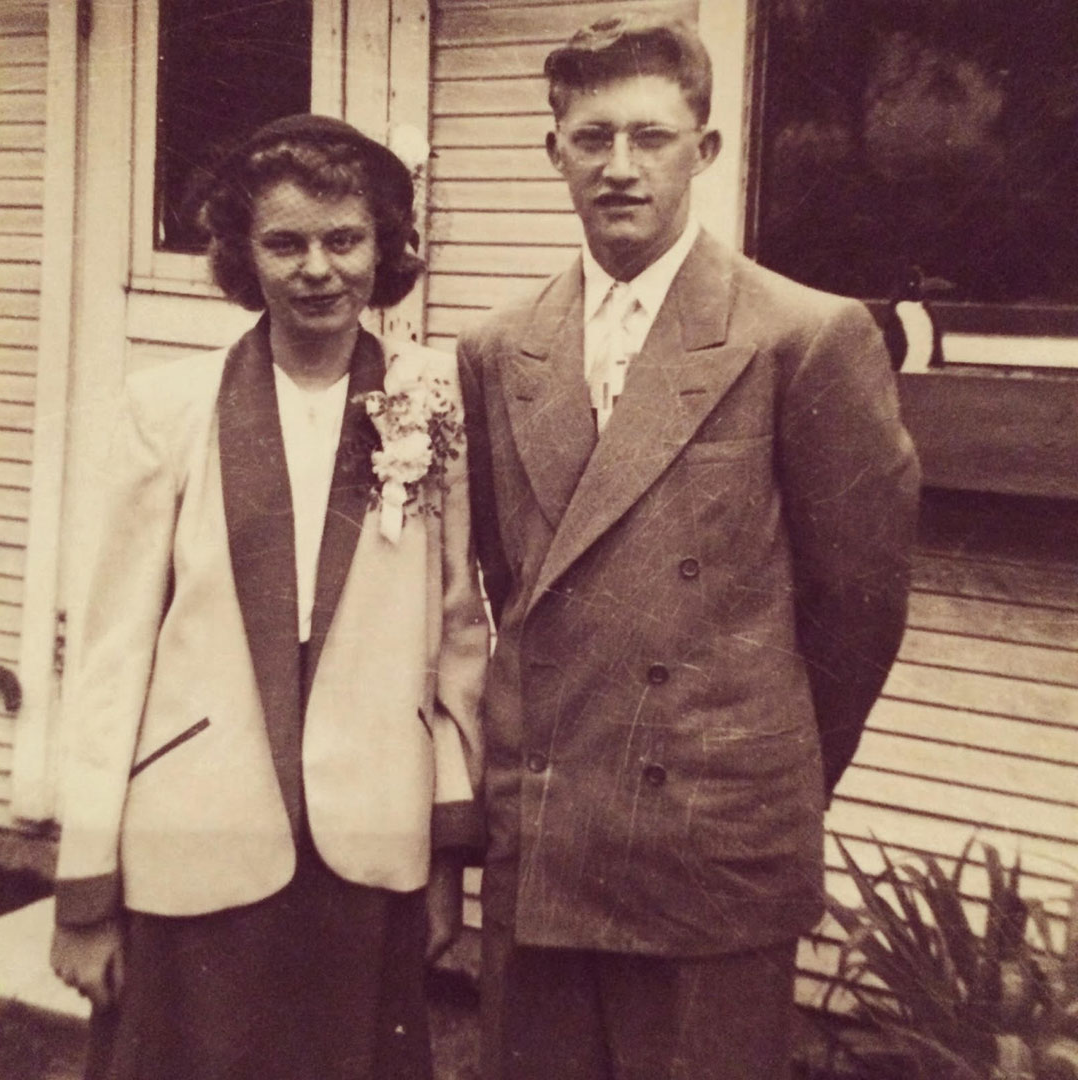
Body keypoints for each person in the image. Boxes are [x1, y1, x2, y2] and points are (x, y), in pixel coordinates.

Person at [457, 14, 921, 1080]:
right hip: (551, 831)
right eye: (594, 136)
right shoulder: (497, 349)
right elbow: (507, 583)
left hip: (711, 843)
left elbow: (859, 609)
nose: (621, 167)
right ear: (555, 151)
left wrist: (759, 774)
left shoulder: (802, 335)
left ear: (704, 151)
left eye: (653, 137)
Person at [49, 114, 488, 1080]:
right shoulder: (166, 409)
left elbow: (459, 641)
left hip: (367, 837)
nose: (317, 269)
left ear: (385, 247)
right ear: (245, 257)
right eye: (285, 243)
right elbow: (113, 653)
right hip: (198, 831)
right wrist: (86, 893)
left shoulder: (431, 402)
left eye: (344, 239)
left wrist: (447, 862)